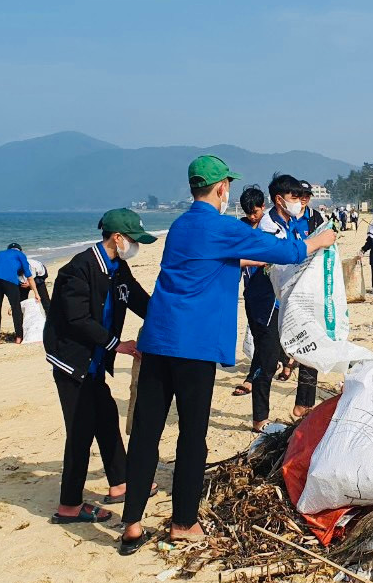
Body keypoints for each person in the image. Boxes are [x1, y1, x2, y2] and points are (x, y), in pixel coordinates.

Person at [119, 155, 335, 554]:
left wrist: (253, 257)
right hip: (193, 346)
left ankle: (131, 524)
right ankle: (183, 522)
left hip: (156, 340)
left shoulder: (181, 226)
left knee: (146, 434)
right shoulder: (221, 226)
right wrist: (319, 241)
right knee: (191, 436)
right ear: (222, 189)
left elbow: (219, 261)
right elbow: (286, 252)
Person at [43, 209, 154, 523]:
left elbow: (139, 300)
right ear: (117, 237)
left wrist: (167, 319)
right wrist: (119, 345)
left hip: (95, 360)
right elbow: (77, 320)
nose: (136, 246)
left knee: (105, 418)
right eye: (133, 240)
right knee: (80, 431)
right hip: (72, 361)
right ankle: (69, 506)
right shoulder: (77, 269)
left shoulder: (118, 268)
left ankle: (120, 484)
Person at [262, 175, 322, 419]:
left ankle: (303, 405)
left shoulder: (298, 220)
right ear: (280, 199)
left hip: (299, 297)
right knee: (267, 361)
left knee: (311, 348)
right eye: (295, 197)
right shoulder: (269, 226)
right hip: (273, 301)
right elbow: (283, 255)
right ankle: (260, 417)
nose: (301, 202)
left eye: (303, 197)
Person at [237, 184, 285, 428]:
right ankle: (260, 419)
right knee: (266, 360)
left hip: (271, 299)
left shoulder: (272, 229)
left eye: (254, 212)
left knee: (266, 355)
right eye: (248, 212)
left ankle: (259, 410)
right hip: (256, 299)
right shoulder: (244, 230)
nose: (251, 216)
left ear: (262, 207)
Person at [0, 243, 33, 344]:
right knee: (16, 308)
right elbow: (27, 272)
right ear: (20, 250)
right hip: (10, 282)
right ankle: (19, 337)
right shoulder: (20, 254)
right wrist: (32, 286)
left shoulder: (0, 253)